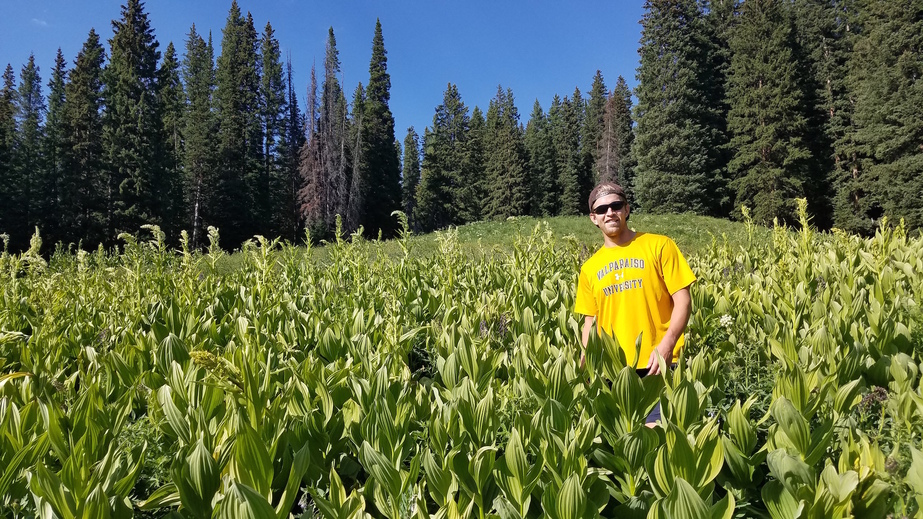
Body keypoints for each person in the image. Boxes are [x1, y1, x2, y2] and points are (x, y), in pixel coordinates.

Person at [573, 181, 696, 425]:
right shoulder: (589, 269)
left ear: (626, 210)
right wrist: (583, 371)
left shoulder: (659, 245)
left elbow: (683, 301)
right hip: (612, 372)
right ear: (593, 218)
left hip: (658, 365)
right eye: (601, 210)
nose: (609, 212)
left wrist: (667, 344)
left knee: (657, 440)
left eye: (616, 205)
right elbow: (590, 323)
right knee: (621, 446)